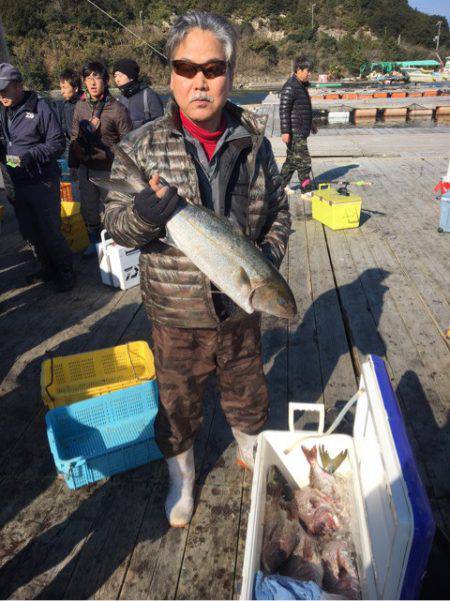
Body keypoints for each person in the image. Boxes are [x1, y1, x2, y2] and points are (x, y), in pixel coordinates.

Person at [103, 12, 291, 528]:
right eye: (187, 67)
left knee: (249, 393)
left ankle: (251, 454)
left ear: (230, 73)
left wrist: (263, 265)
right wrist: (144, 215)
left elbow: (279, 211)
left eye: (213, 67)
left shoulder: (255, 142)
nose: (200, 80)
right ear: (171, 75)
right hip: (176, 316)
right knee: (178, 407)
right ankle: (181, 481)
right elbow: (116, 227)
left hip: (240, 311)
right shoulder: (142, 145)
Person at [0, 63, 75, 291]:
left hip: (41, 181)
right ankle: (47, 268)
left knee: (50, 229)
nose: (1, 95)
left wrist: (33, 155)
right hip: (15, 181)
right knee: (30, 231)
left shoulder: (41, 108)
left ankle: (66, 271)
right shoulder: (2, 110)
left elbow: (58, 143)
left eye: (5, 89)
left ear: (19, 85)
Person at [69, 61, 132, 254]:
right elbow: (73, 135)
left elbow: (128, 144)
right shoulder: (80, 106)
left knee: (113, 208)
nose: (92, 82)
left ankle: (117, 243)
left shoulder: (117, 109)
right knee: (89, 209)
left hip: (110, 170)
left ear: (105, 80)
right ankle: (95, 241)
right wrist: (73, 164)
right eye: (88, 78)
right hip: (86, 168)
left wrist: (124, 170)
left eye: (97, 77)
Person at [279, 56, 317, 192]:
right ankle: (306, 191)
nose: (310, 73)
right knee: (304, 162)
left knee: (292, 161)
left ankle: (279, 186)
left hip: (301, 129)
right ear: (299, 70)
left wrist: (311, 123)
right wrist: (285, 131)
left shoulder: (301, 85)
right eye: (308, 70)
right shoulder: (290, 86)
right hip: (295, 131)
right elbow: (284, 110)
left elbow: (303, 108)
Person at [113, 58, 164, 129]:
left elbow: (160, 123)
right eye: (115, 76)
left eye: (120, 75)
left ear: (131, 76)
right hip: (125, 139)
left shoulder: (149, 95)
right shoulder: (120, 99)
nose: (117, 79)